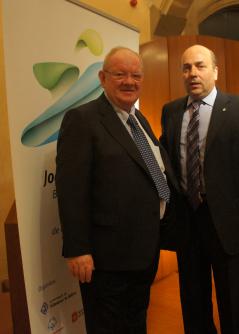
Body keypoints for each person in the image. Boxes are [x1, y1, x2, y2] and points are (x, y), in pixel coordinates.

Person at [55, 46, 180, 334]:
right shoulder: (83, 120)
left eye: (136, 75)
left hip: (142, 252)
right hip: (106, 259)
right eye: (120, 74)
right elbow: (71, 188)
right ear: (102, 77)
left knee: (135, 323)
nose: (129, 81)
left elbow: (154, 173)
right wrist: (78, 249)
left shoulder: (139, 120)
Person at [160, 44, 239, 334]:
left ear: (215, 71)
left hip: (228, 222)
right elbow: (167, 164)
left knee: (232, 302)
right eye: (186, 68)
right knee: (193, 301)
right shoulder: (170, 112)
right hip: (187, 221)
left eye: (200, 66)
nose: (192, 73)